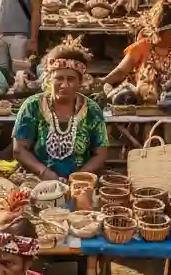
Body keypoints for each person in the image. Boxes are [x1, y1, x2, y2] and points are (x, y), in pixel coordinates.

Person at [13, 43, 108, 180]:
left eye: (70, 79)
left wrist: (78, 177)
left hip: (79, 182)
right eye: (59, 78)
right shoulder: (32, 107)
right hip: (37, 181)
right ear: (49, 79)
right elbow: (19, 150)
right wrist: (44, 173)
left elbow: (100, 154)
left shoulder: (92, 110)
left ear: (80, 82)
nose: (64, 85)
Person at [105, 6, 171, 101]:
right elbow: (121, 71)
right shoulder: (140, 47)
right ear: (157, 31)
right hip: (146, 102)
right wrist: (103, 81)